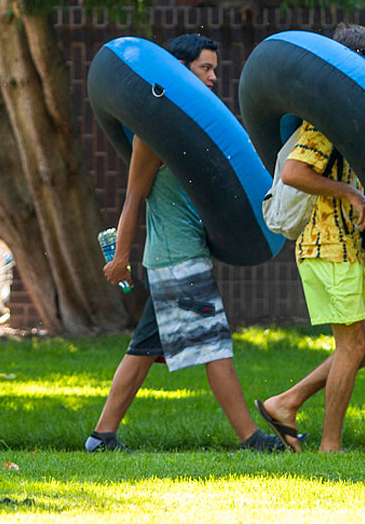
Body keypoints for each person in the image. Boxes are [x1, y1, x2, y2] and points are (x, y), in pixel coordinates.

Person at [86, 33, 283, 453]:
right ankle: (252, 440)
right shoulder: (152, 136)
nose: (212, 77)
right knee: (214, 346)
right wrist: (121, 256)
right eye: (204, 68)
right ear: (178, 70)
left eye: (214, 69)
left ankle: (102, 436)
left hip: (178, 256)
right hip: (177, 259)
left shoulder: (184, 134)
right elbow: (134, 196)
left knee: (143, 350)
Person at [256, 23, 365, 454]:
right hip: (326, 246)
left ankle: (286, 402)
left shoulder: (352, 122)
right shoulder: (326, 119)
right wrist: (350, 192)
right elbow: (295, 173)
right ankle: (329, 446)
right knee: (351, 344)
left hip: (346, 248)